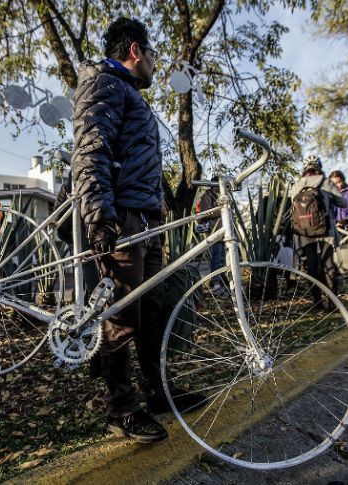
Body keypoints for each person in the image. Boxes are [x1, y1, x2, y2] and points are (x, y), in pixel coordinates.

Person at [71, 17, 203, 444]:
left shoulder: (128, 94)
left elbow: (136, 159)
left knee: (152, 313)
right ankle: (121, 408)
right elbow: (91, 148)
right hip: (123, 219)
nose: (153, 63)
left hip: (146, 220)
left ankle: (157, 392)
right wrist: (99, 216)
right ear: (134, 52)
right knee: (121, 317)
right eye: (151, 54)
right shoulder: (104, 85)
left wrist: (160, 200)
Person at [288, 156, 347, 309]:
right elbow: (344, 203)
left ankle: (317, 302)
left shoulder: (296, 185)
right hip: (325, 229)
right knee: (328, 263)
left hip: (304, 231)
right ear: (318, 167)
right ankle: (333, 302)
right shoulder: (326, 182)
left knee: (311, 265)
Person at [328, 170, 348, 294]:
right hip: (335, 230)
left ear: (343, 180)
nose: (337, 185)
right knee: (335, 258)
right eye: (334, 183)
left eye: (339, 182)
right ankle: (336, 287)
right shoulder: (329, 195)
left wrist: (347, 220)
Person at [195, 176, 226, 294]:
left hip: (223, 232)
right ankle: (216, 283)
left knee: (222, 259)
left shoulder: (218, 196)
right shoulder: (207, 196)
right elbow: (204, 213)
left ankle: (221, 283)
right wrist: (221, 210)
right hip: (214, 232)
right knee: (216, 259)